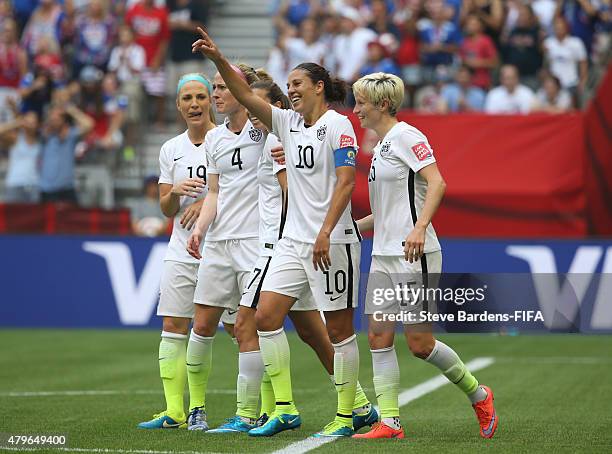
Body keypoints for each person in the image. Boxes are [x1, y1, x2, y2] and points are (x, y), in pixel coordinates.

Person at [193, 28, 363, 438]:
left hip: (331, 241)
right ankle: (284, 408)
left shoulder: (339, 126)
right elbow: (247, 94)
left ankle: (349, 413)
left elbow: (346, 183)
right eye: (288, 86)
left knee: (338, 331)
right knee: (265, 318)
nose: (292, 91)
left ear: (319, 87)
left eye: (298, 85)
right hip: (292, 243)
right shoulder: (287, 126)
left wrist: (325, 230)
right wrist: (219, 60)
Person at [351, 72, 498, 440]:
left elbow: (438, 182)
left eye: (361, 103)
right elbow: (388, 211)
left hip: (414, 254)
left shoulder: (407, 136)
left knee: (420, 344)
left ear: (382, 104)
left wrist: (419, 229)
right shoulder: (382, 146)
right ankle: (390, 423)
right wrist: (352, 228)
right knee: (378, 336)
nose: (356, 110)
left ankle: (480, 395)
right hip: (383, 254)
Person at [137, 73, 224, 429]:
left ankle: (250, 409)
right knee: (174, 325)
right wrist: (175, 192)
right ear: (178, 104)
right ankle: (175, 411)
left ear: (211, 101)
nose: (194, 104)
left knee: (238, 330)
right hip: (180, 250)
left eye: (201, 96)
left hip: (223, 249)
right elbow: (166, 209)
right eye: (187, 98)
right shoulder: (170, 149)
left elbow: (247, 193)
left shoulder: (225, 141)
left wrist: (206, 202)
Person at [185, 63, 265, 431]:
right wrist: (200, 229)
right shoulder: (215, 139)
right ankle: (196, 409)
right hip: (218, 242)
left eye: (221, 87)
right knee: (201, 325)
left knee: (248, 329)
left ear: (240, 89)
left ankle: (249, 412)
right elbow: (214, 192)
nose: (215, 94)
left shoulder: (263, 129)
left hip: (253, 243)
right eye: (213, 88)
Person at [39, 103, 94, 203]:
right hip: (47, 190)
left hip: (66, 189)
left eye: (58, 118)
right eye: (52, 117)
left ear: (63, 120)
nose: (55, 120)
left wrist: (71, 110)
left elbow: (89, 124)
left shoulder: (70, 135)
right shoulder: (44, 136)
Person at [0, 111, 42, 203]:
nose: (30, 125)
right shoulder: (16, 138)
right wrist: (17, 123)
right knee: (12, 216)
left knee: (34, 216)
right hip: (15, 183)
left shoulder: (40, 141)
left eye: (33, 122)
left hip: (34, 184)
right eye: (28, 122)